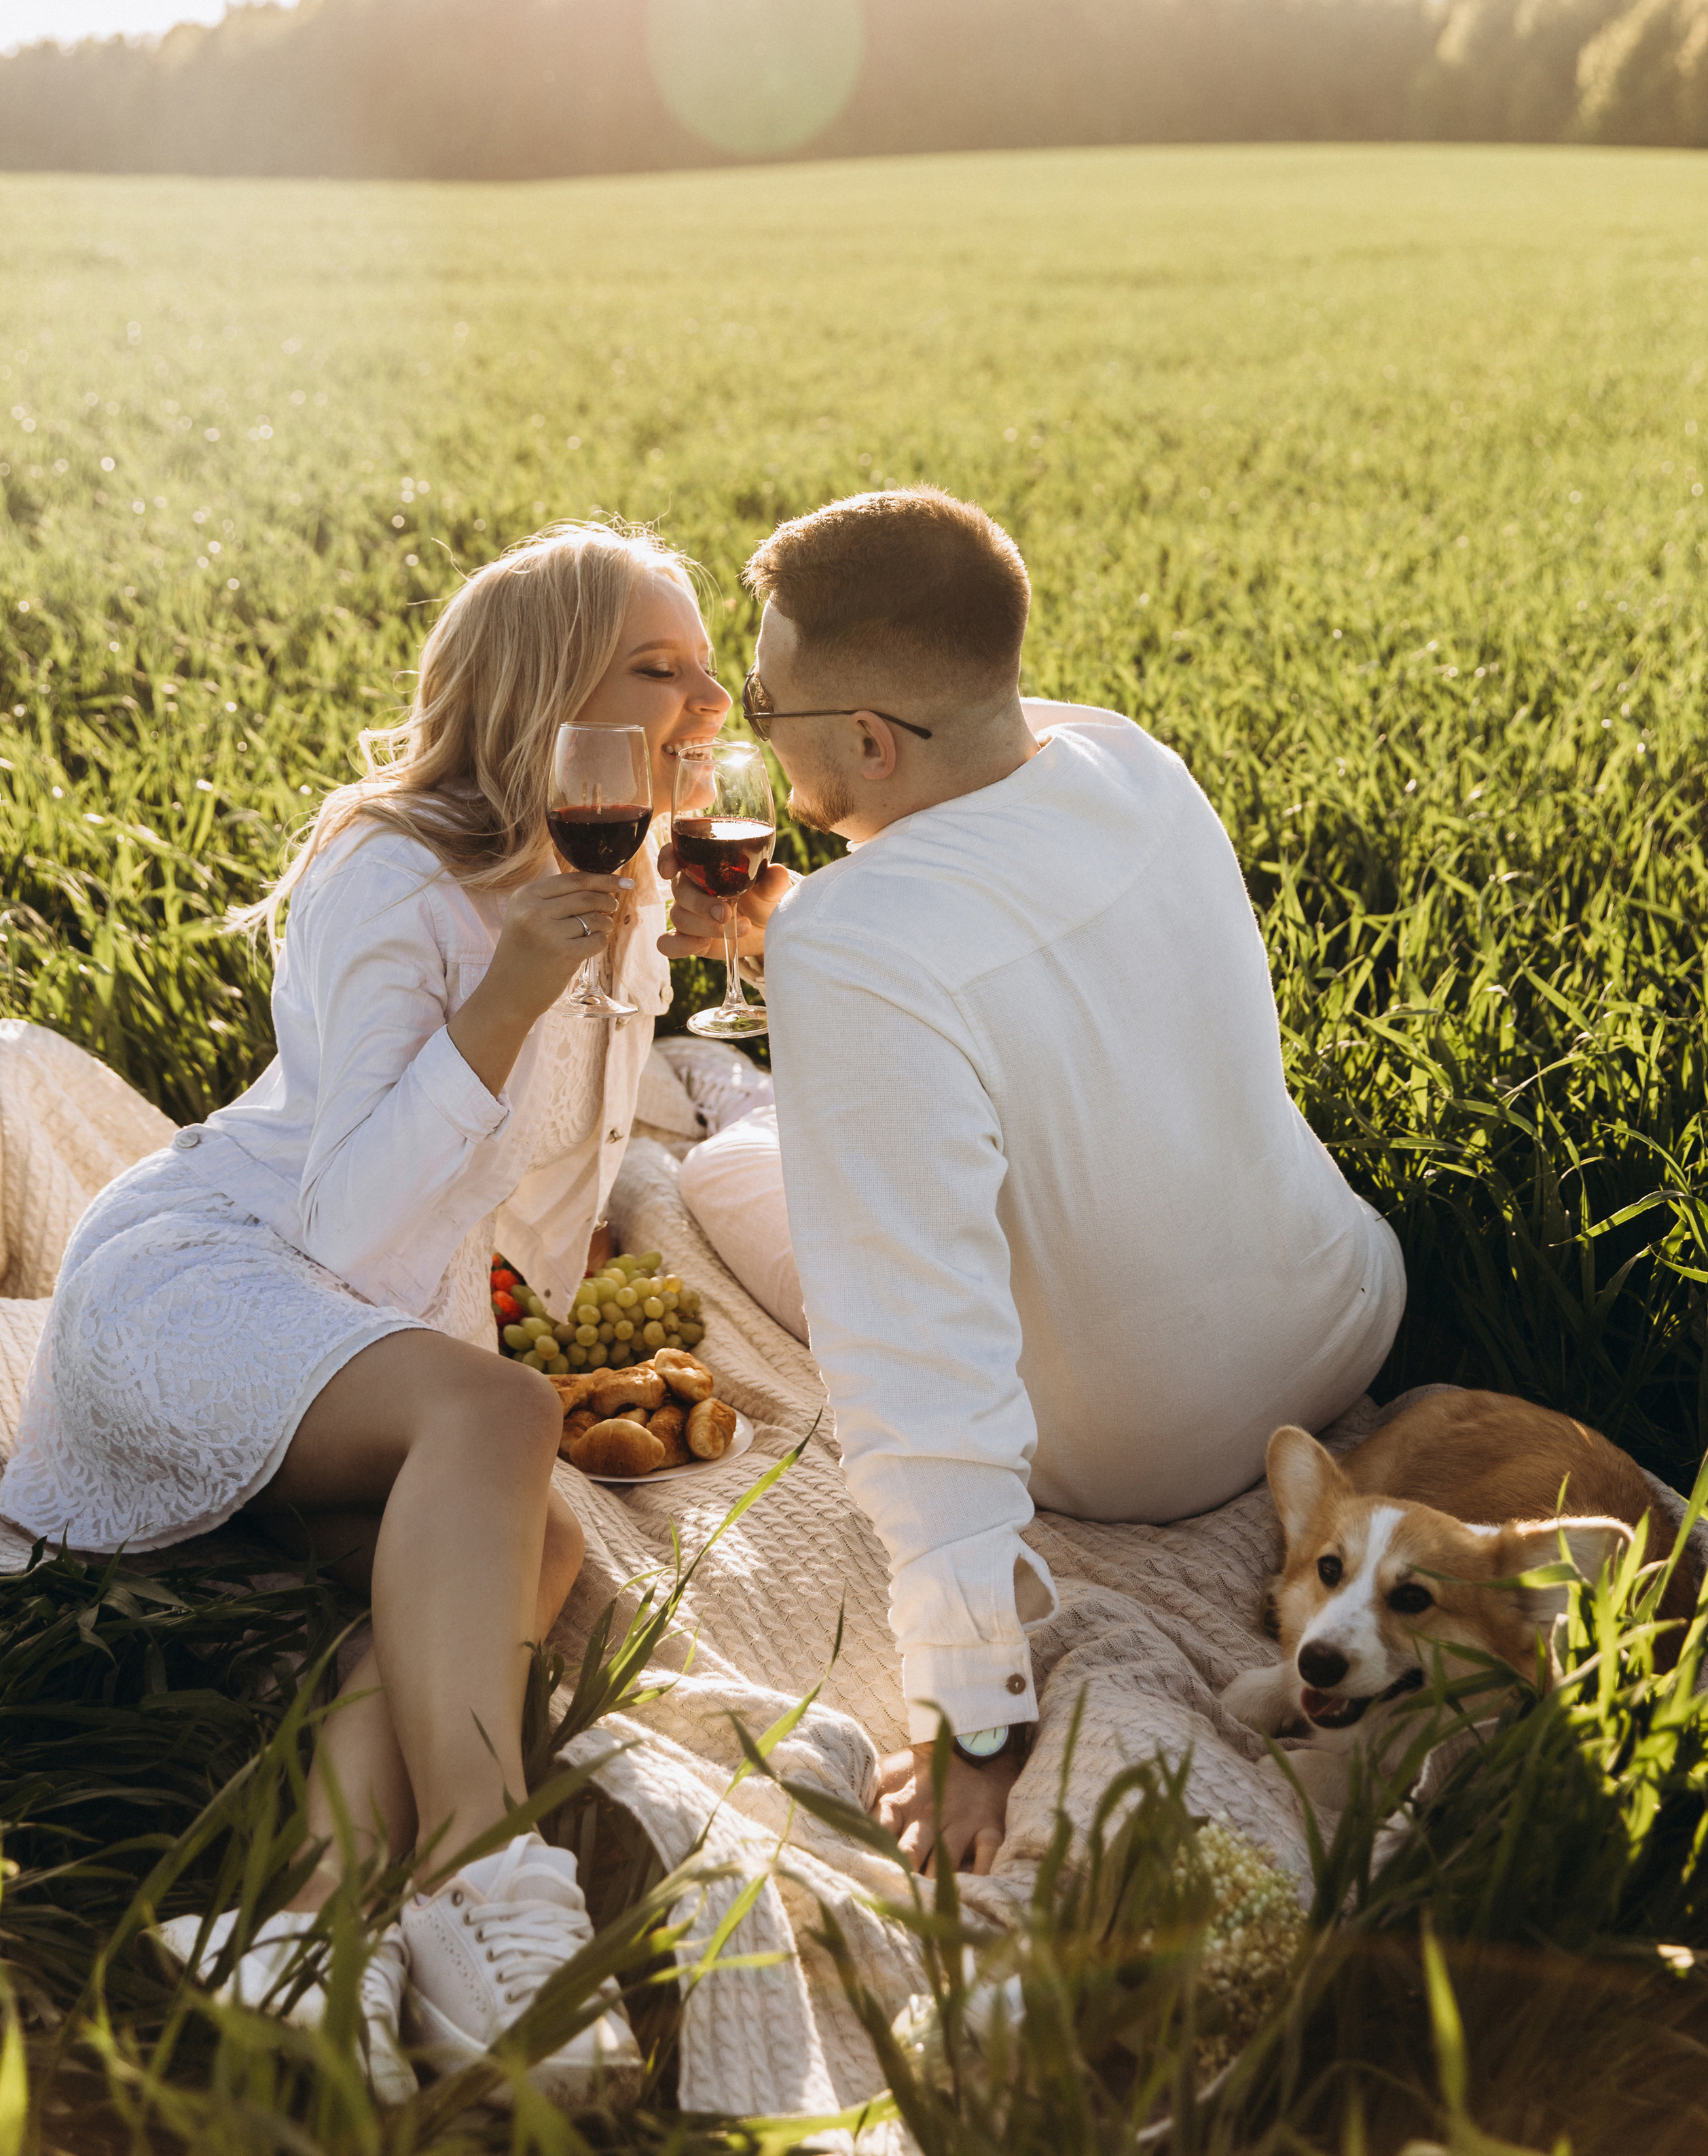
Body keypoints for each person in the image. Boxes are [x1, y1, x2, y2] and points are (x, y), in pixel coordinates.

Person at [0, 519, 774, 2105]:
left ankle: (290, 1936)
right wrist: (507, 997)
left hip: (347, 1334)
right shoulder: (390, 874)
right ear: (549, 691)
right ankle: (494, 1887)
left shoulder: (606, 876)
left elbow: (544, 1209)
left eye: (707, 666)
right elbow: (345, 1222)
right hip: (203, 1275)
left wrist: (697, 949)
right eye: (659, 665)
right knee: (502, 1424)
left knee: (537, 1550)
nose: (710, 698)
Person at [664, 489, 1405, 1882]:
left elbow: (912, 1340)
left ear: (870, 743)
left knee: (723, 1167)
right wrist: (801, 946)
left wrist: (974, 1703)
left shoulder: (854, 935)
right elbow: (1028, 968)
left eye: (766, 705)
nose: (748, 722)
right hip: (1341, 1310)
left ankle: (738, 1105)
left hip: (1147, 1452)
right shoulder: (1126, 758)